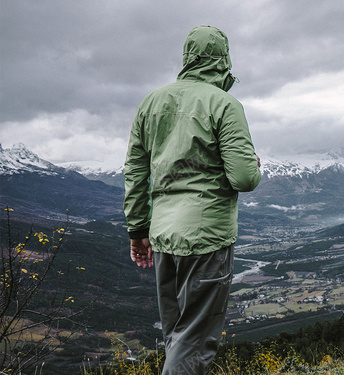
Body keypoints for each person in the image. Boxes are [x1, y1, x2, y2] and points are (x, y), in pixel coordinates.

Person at [123, 25, 261, 374]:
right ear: (223, 59)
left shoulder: (150, 104)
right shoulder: (225, 105)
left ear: (187, 58)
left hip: (163, 238)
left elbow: (135, 173)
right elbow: (243, 178)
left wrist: (137, 231)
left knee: (177, 337)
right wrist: (255, 166)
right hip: (206, 239)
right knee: (194, 343)